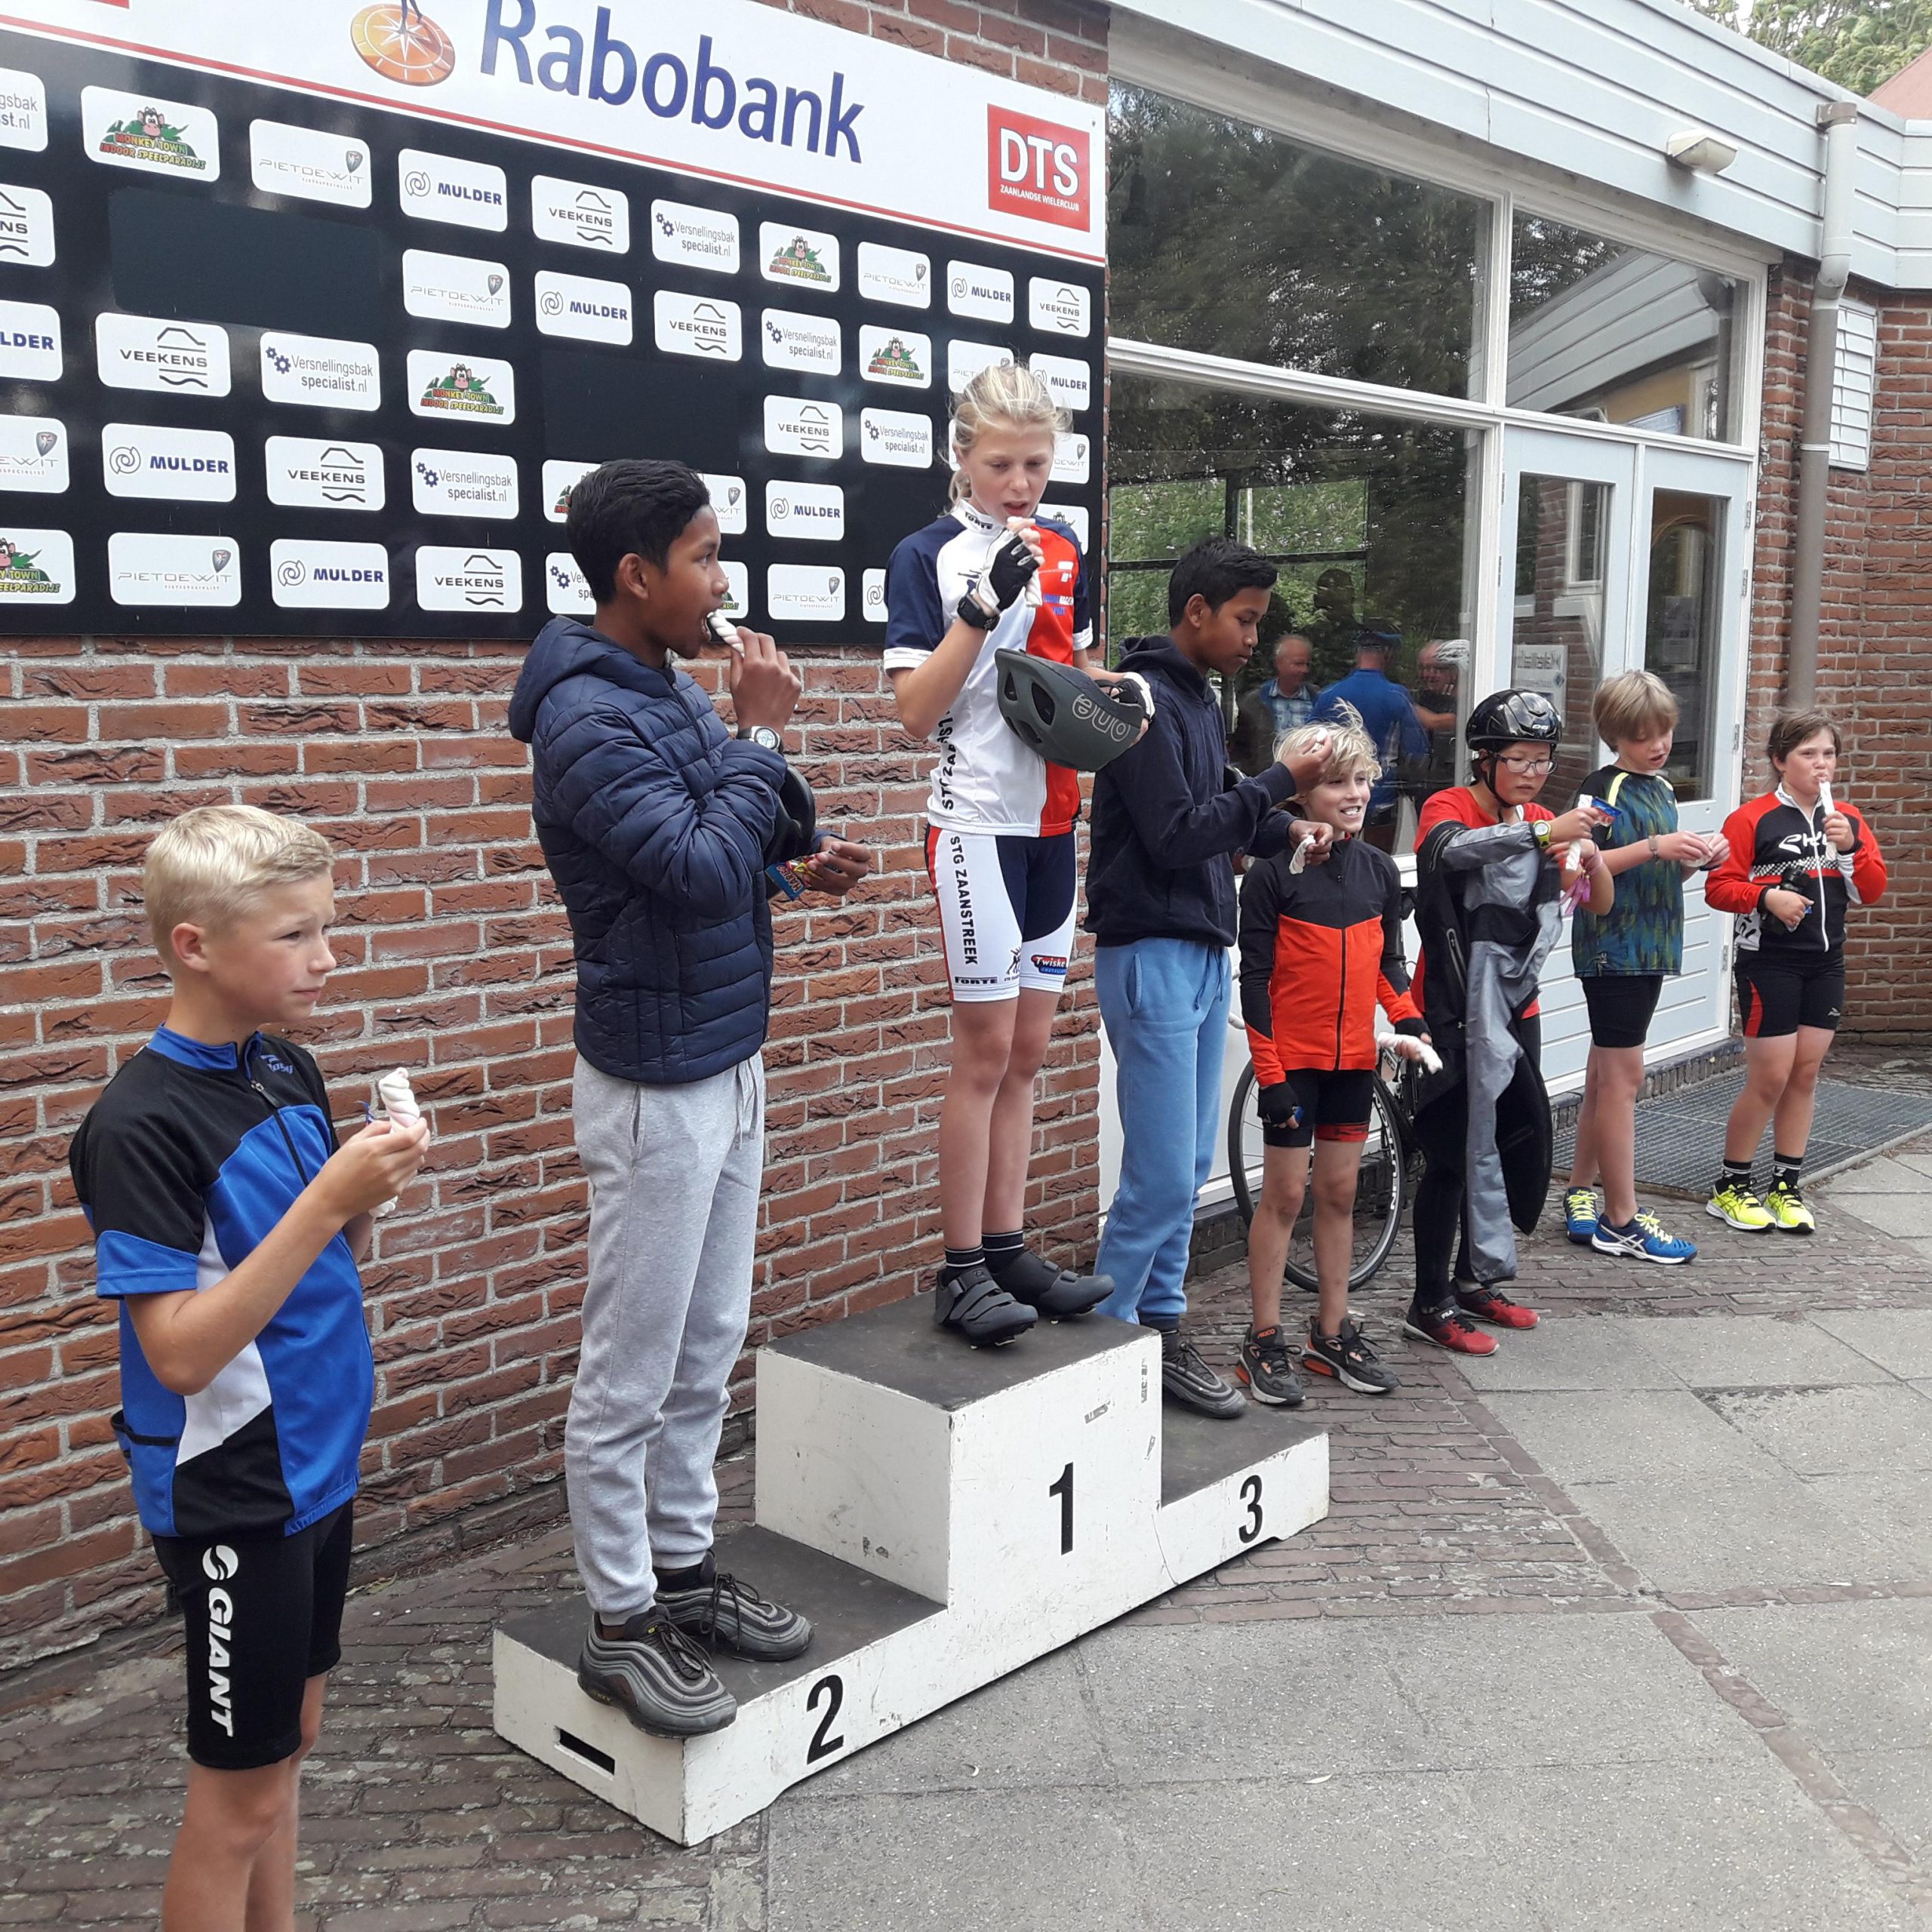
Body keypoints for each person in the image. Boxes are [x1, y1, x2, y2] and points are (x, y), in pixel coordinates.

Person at [509, 460, 872, 1737]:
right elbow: (695, 864)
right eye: (706, 557)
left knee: (707, 1342)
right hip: (654, 1079)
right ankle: (618, 1624)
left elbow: (708, 866)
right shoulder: (583, 715)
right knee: (633, 1364)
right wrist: (758, 735)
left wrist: (793, 873)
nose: (723, 584)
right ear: (636, 574)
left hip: (724, 1051)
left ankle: (680, 1569)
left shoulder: (655, 685)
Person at [67, 804, 432, 1932]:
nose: (327, 958)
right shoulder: (138, 1123)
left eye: (327, 927)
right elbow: (178, 1353)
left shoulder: (284, 1065)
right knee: (235, 1804)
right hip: (235, 1491)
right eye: (294, 934)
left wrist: (364, 1188)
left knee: (288, 1753)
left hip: (319, 1469)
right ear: (194, 945)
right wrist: (328, 1197)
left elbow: (317, 1259)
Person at [884, 362, 1124, 1346]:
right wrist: (980, 608)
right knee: (982, 1053)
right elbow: (913, 712)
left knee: (1027, 1053)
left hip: (1054, 827)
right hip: (975, 826)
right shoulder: (926, 555)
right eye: (1001, 465)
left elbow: (1078, 677)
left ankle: (1007, 1246)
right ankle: (960, 1270)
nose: (1021, 483)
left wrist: (1122, 697)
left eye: (1036, 463)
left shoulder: (1065, 545)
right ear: (961, 457)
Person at [1085, 536, 1333, 1416]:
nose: (1254, 639)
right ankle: (1105, 1352)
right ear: (1196, 611)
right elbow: (1175, 834)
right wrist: (1281, 782)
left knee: (1186, 1166)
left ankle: (1159, 1328)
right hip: (1150, 950)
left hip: (1194, 949)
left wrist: (1287, 827)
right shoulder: (1139, 698)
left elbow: (1217, 809)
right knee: (1159, 1174)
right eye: (1244, 619)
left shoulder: (1195, 696)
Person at [1406, 690, 1613, 1355]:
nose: (1532, 772)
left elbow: (1594, 901)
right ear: (1484, 758)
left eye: (1543, 760)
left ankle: (1474, 1280)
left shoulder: (1544, 817)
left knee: (1504, 1138)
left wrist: (1589, 859)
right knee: (1450, 1153)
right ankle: (1427, 1302)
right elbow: (1450, 852)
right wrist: (1546, 835)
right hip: (1453, 1006)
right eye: (1519, 759)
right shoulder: (1450, 805)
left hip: (1519, 1007)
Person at [1235, 708, 1429, 1404]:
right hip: (1293, 1065)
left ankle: (1331, 1330)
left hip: (1353, 1064)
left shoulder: (1378, 869)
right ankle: (1263, 1338)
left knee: (1341, 1193)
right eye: (1336, 783)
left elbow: (1388, 965)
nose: (1353, 795)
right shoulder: (1272, 874)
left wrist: (1409, 1020)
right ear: (1301, 794)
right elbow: (1254, 982)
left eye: (1361, 781)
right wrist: (1270, 1076)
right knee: (1285, 1196)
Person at [1703, 708, 1887, 1234]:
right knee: (1771, 1077)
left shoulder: (1847, 818)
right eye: (1808, 754)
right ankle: (1731, 1186)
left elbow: (1872, 890)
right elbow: (1719, 888)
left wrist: (1851, 848)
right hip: (1770, 962)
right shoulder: (1752, 818)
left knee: (1805, 1073)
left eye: (1829, 754)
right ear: (1781, 760)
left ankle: (1786, 1185)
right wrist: (1767, 897)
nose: (1821, 764)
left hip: (1826, 961)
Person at [1563, 670, 1724, 1263]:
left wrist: (1696, 858)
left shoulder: (1660, 788)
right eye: (1642, 736)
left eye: (1665, 732)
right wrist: (1658, 846)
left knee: (1604, 1076)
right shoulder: (1601, 787)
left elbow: (1662, 873)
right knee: (1623, 1081)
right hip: (1615, 945)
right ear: (1615, 736)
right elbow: (1579, 863)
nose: (1658, 745)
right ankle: (1621, 1218)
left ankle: (1581, 1191)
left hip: (1649, 945)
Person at [1312, 620, 1428, 848]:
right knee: (1378, 860)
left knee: (1335, 857)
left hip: (1338, 793)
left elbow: (1308, 745)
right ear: (1387, 653)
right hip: (1382, 794)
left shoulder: (1329, 694)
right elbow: (1417, 750)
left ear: (1358, 652)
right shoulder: (1396, 695)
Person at [1229, 631, 1321, 775]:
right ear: (1279, 663)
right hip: (1266, 782)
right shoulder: (1253, 703)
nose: (1304, 670)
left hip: (1310, 780)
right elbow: (1239, 752)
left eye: (1307, 664)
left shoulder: (1318, 699)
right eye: (1298, 664)